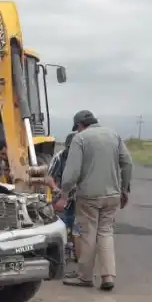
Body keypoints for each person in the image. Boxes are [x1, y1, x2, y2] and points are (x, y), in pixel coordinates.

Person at [55, 110, 133, 291]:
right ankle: (108, 276)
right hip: (112, 195)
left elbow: (71, 173)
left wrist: (64, 195)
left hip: (89, 196)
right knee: (105, 232)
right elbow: (127, 163)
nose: (78, 131)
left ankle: (85, 277)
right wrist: (124, 189)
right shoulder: (114, 135)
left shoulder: (80, 139)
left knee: (87, 233)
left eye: (78, 128)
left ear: (81, 125)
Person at [47, 132, 80, 265]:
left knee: (78, 226)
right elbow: (49, 178)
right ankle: (64, 250)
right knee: (63, 223)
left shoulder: (83, 159)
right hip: (62, 195)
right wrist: (55, 188)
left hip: (80, 196)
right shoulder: (59, 158)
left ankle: (77, 251)